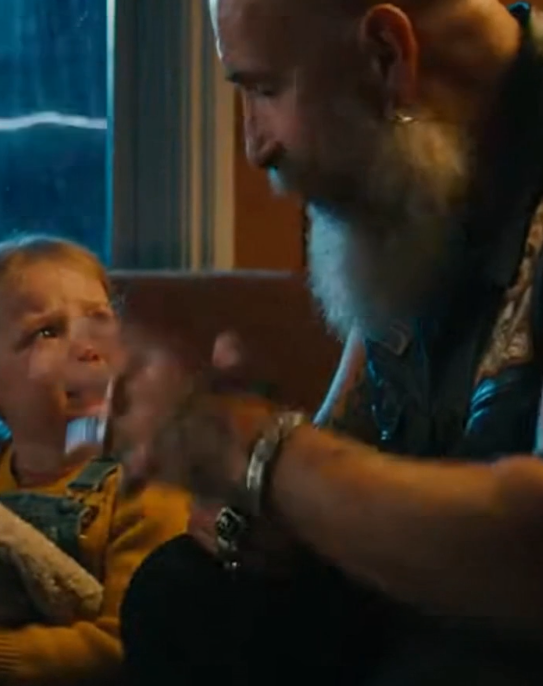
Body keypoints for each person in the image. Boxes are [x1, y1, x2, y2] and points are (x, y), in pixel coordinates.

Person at [116, 0, 543, 683]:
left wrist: (263, 454)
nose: (255, 145)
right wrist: (255, 506)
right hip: (415, 604)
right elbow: (345, 444)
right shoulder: (419, 173)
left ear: (385, 56)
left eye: (264, 90)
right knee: (184, 596)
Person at [0, 234, 189, 685]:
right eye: (48, 331)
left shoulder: (147, 487)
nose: (88, 347)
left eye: (100, 321)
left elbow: (124, 644)